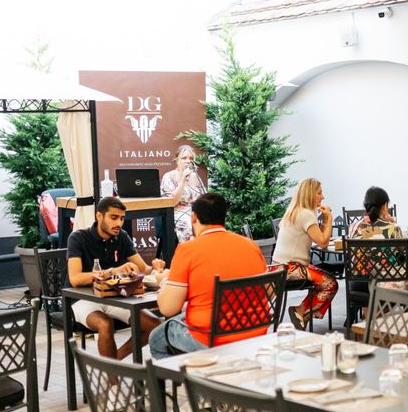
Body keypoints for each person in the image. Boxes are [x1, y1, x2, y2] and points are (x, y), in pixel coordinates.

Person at [148, 193, 268, 359]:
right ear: (224, 218)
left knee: (156, 339)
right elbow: (269, 292)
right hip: (256, 331)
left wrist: (165, 281)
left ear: (193, 217)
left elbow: (168, 308)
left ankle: (196, 375)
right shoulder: (250, 245)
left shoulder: (187, 250)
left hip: (210, 337)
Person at [66, 196, 163, 360]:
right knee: (105, 324)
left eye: (122, 218)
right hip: (83, 299)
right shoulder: (78, 238)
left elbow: (143, 269)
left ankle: (114, 362)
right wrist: (112, 271)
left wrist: (155, 267)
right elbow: (75, 279)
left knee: (155, 325)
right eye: (114, 217)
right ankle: (112, 375)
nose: (119, 223)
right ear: (99, 216)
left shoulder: (122, 237)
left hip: (114, 297)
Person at [272, 178, 338, 329]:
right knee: (331, 284)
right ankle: (300, 311)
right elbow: (323, 242)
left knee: (323, 280)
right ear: (310, 194)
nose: (322, 197)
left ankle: (301, 314)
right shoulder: (306, 214)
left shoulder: (294, 211)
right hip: (291, 269)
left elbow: (319, 238)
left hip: (279, 267)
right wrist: (329, 219)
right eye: (319, 193)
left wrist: (323, 221)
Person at [348, 186, 408, 293]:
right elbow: (403, 250)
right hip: (384, 281)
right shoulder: (392, 228)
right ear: (385, 206)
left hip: (358, 281)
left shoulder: (353, 227)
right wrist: (392, 222)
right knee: (404, 263)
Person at [160, 144, 207, 243]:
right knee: (188, 224)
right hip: (177, 212)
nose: (188, 161)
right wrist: (183, 181)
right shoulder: (168, 176)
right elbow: (172, 202)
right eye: (184, 158)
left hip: (194, 211)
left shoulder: (195, 176)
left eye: (191, 158)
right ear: (177, 160)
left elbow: (203, 198)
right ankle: (190, 250)